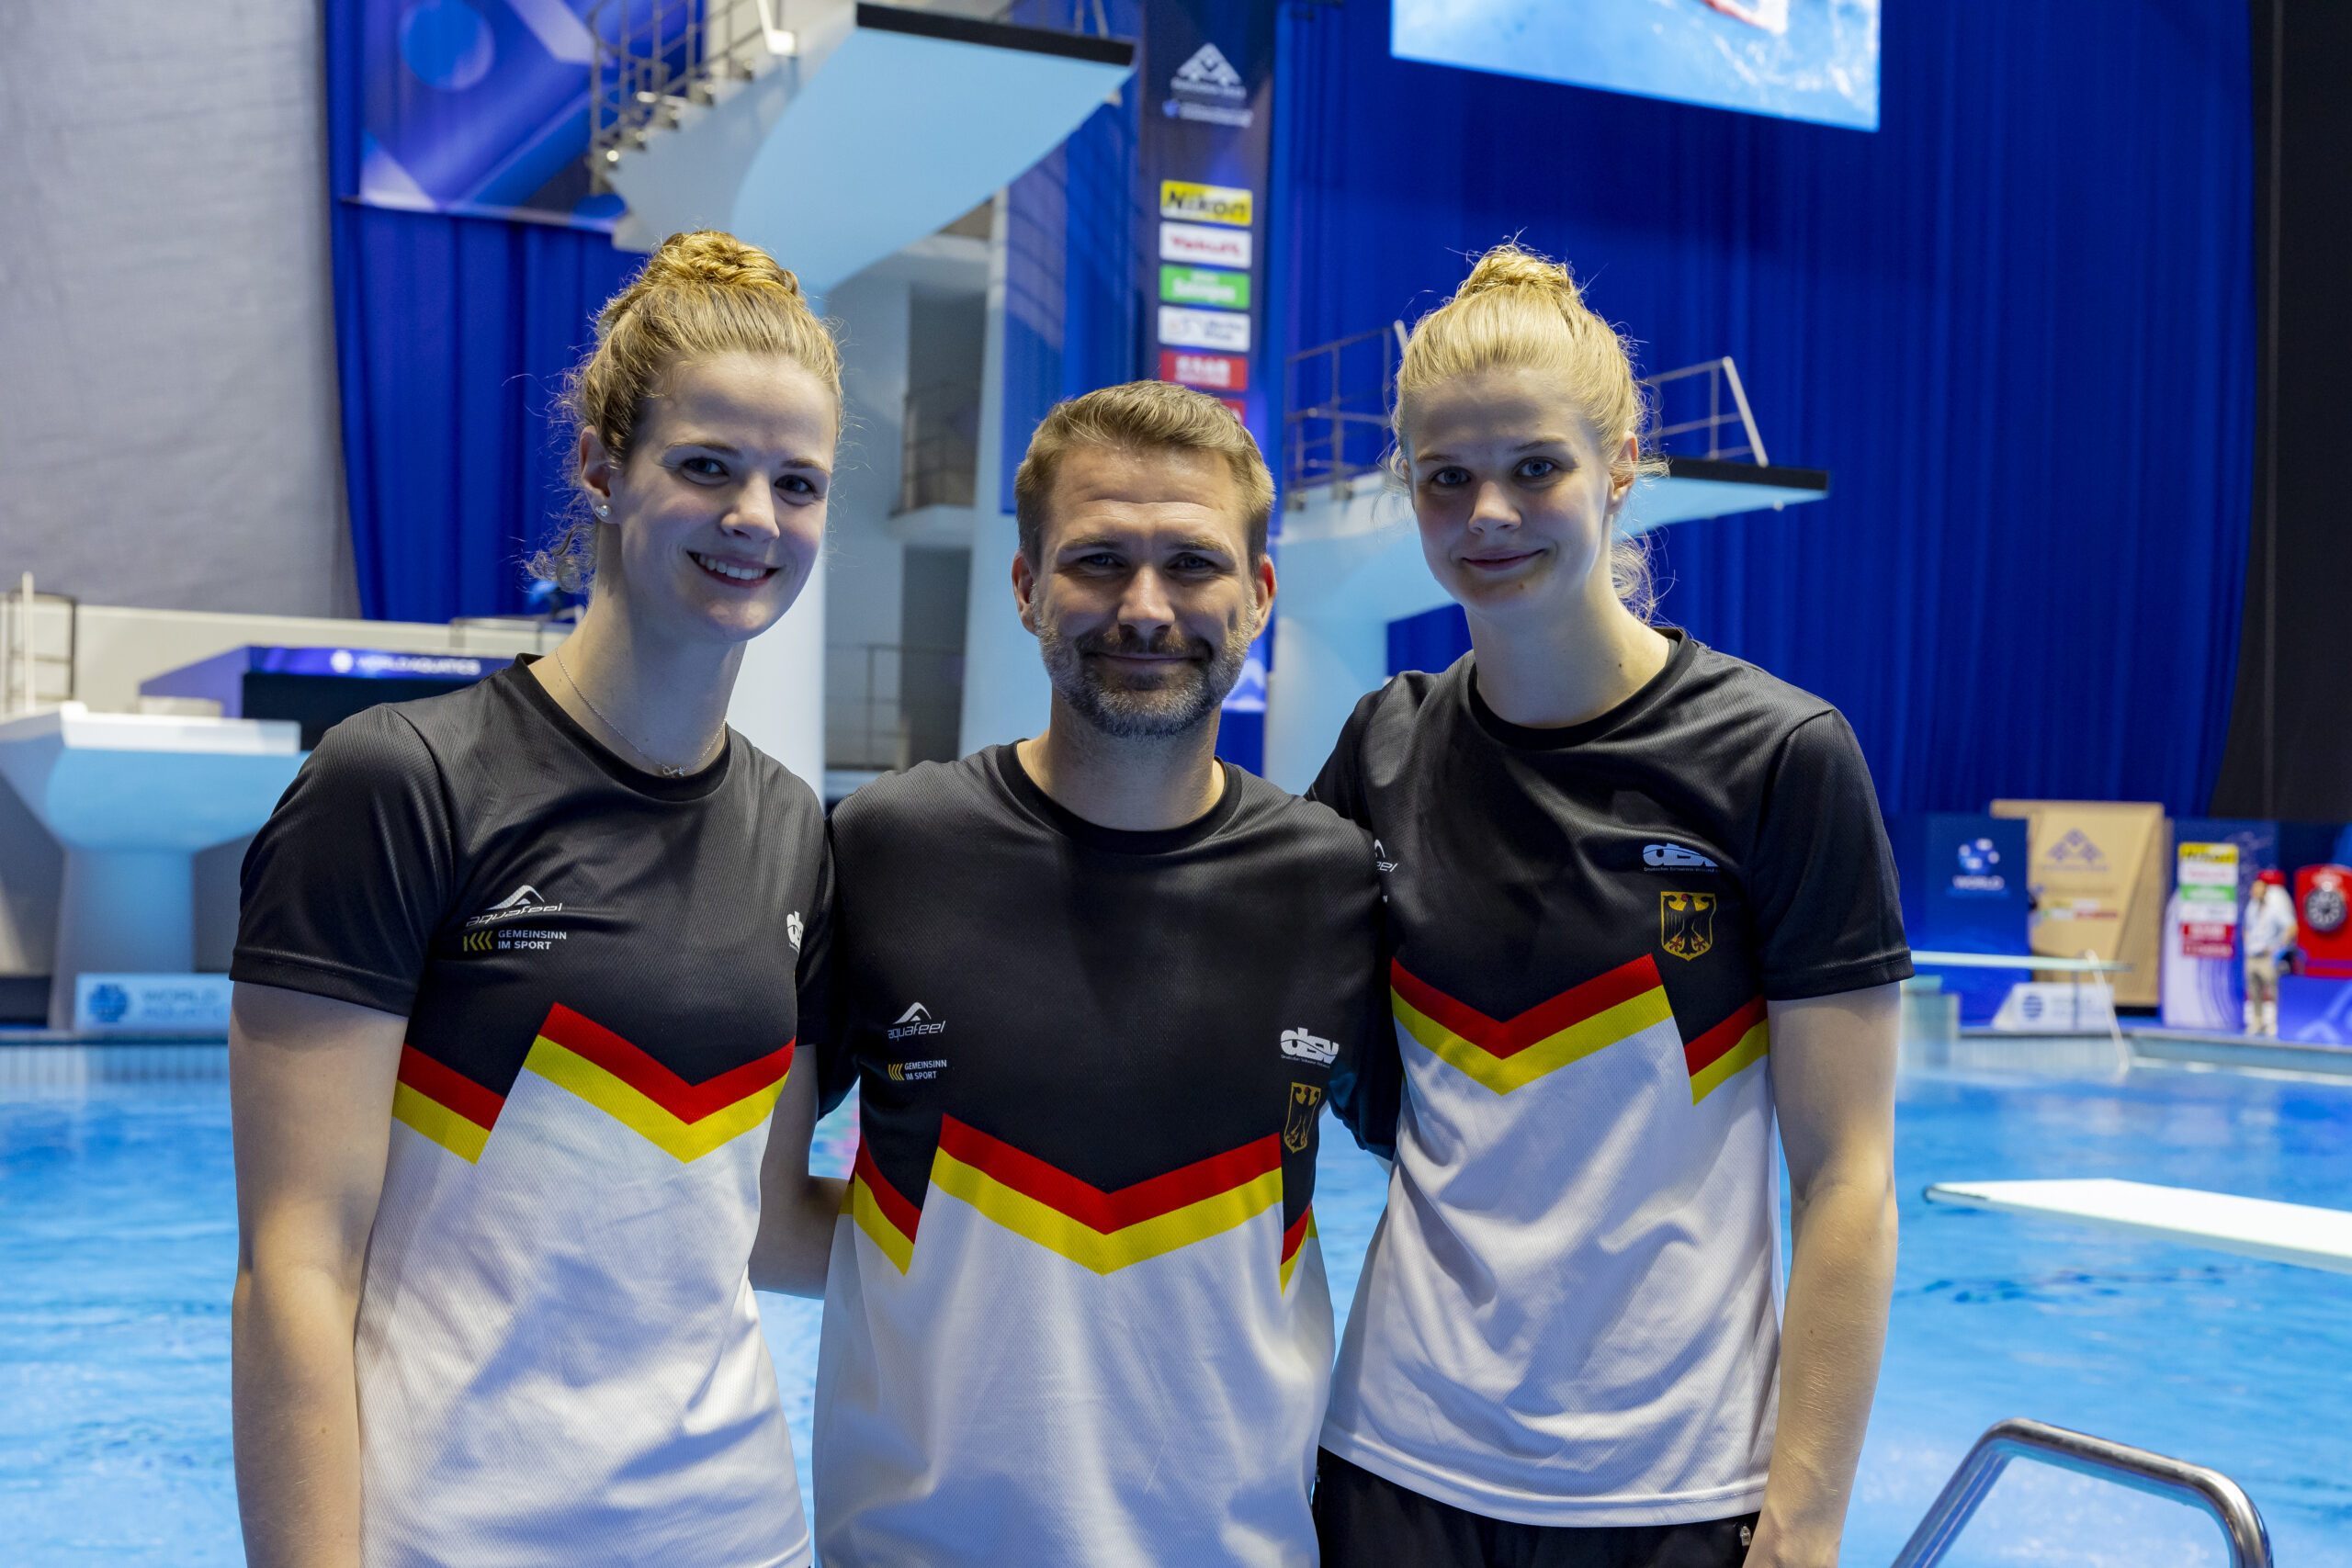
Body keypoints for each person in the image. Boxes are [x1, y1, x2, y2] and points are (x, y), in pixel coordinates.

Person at [228, 231, 841, 1568]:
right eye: (706, 466)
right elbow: (295, 1265)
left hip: (737, 1529)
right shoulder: (404, 782)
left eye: (798, 483)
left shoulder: (797, 829)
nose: (756, 518)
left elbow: (768, 1221)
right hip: (454, 1533)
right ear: (601, 467)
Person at [1310, 244, 1910, 1568]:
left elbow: (1850, 1178)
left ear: (1622, 465)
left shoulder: (1779, 756)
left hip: (1676, 1491)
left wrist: (1803, 1531)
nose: (1490, 515)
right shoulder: (1383, 748)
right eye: (1446, 478)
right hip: (1396, 1460)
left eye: (1537, 468)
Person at [771, 379, 1392, 1566]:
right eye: (1098, 559)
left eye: (1192, 564)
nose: (1145, 607)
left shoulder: (1332, 881)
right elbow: (763, 1224)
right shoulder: (884, 846)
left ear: (1260, 596)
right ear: (1025, 587)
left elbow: (1454, 1204)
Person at [2243, 867, 2297, 1036]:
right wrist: (2247, 944)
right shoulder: (2251, 907)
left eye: (2259, 889)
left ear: (2265, 890)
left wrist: (2279, 948)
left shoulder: (2275, 908)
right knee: (2254, 991)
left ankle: (2274, 1023)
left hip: (2267, 956)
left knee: (2273, 991)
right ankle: (2256, 1022)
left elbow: (2292, 927)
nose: (2255, 892)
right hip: (2252, 955)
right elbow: (2246, 927)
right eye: (2254, 888)